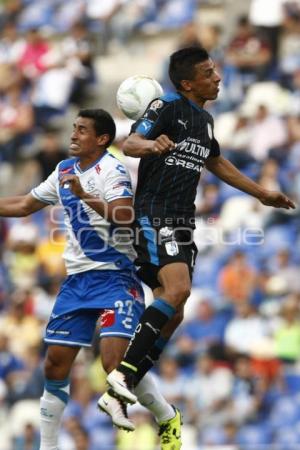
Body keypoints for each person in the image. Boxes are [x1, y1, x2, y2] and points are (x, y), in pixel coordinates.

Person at [105, 46, 295, 406]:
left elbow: (217, 162)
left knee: (174, 311)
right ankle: (122, 375)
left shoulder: (205, 122)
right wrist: (150, 144)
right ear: (188, 83)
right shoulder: (166, 107)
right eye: (209, 73)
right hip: (154, 212)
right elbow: (130, 143)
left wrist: (261, 194)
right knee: (177, 289)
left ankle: (122, 389)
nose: (218, 77)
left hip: (181, 220)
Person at [0, 109, 181, 450]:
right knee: (54, 364)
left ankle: (166, 414)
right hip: (77, 282)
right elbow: (25, 204)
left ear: (100, 139)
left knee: (113, 365)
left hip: (115, 278)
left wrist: (84, 195)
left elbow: (126, 215)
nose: (73, 134)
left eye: (82, 130)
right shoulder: (64, 170)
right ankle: (48, 445)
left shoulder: (111, 169)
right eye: (74, 128)